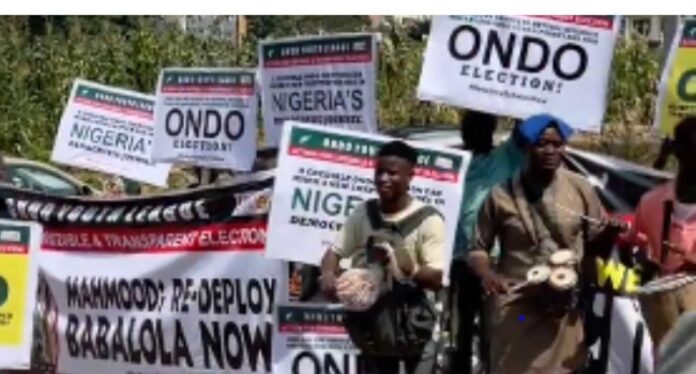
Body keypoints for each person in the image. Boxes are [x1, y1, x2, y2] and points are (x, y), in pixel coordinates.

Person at [468, 113, 612, 374]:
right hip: (518, 308)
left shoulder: (580, 189)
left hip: (562, 308)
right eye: (541, 144)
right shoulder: (500, 195)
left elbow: (594, 249)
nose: (550, 151)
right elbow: (478, 248)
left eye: (557, 144)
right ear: (525, 147)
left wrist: (610, 235)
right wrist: (488, 275)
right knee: (514, 365)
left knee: (564, 367)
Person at [319, 140, 446, 374]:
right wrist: (327, 274)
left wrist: (409, 270)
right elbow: (334, 252)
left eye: (392, 173)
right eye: (379, 172)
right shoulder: (363, 213)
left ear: (410, 176)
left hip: (413, 324)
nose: (383, 179)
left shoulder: (429, 220)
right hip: (373, 325)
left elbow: (436, 279)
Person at [450, 110, 524, 373]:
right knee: (459, 333)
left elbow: (526, 130)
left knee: (495, 329)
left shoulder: (506, 157)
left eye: (481, 128)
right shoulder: (453, 162)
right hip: (460, 260)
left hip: (497, 260)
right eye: (468, 128)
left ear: (491, 131)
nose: (473, 133)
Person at [632, 116, 696, 347]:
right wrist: (644, 264)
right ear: (678, 151)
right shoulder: (651, 203)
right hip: (666, 323)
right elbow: (634, 251)